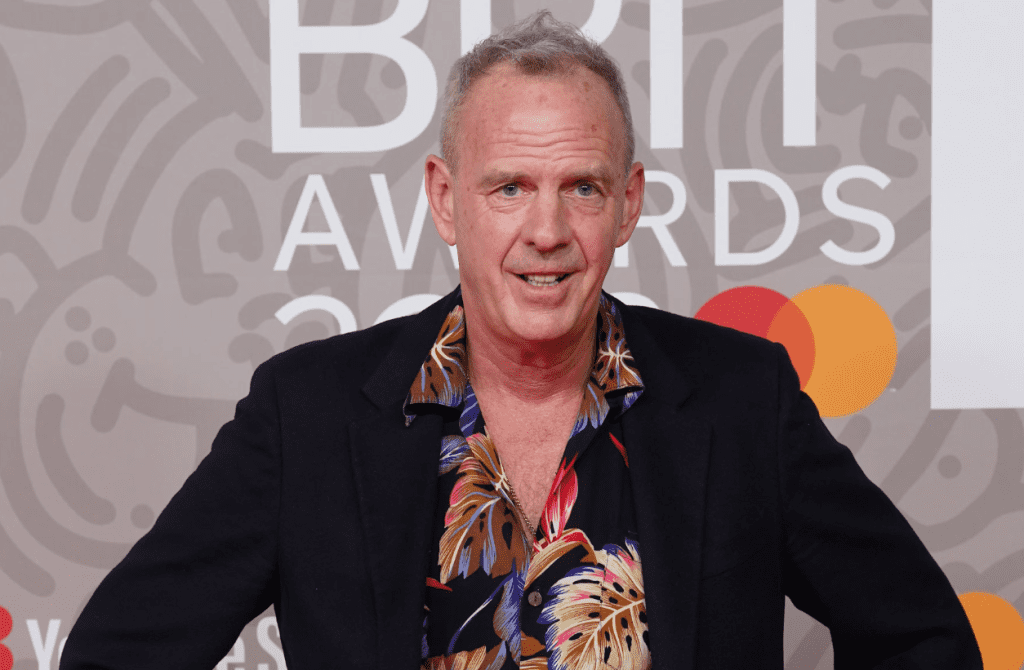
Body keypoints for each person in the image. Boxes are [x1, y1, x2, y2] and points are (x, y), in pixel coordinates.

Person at [62, 11, 981, 670]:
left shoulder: (747, 400)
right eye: (509, 188)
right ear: (444, 199)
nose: (547, 231)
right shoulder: (305, 412)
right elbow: (116, 652)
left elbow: (925, 639)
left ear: (628, 204)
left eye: (582, 187)